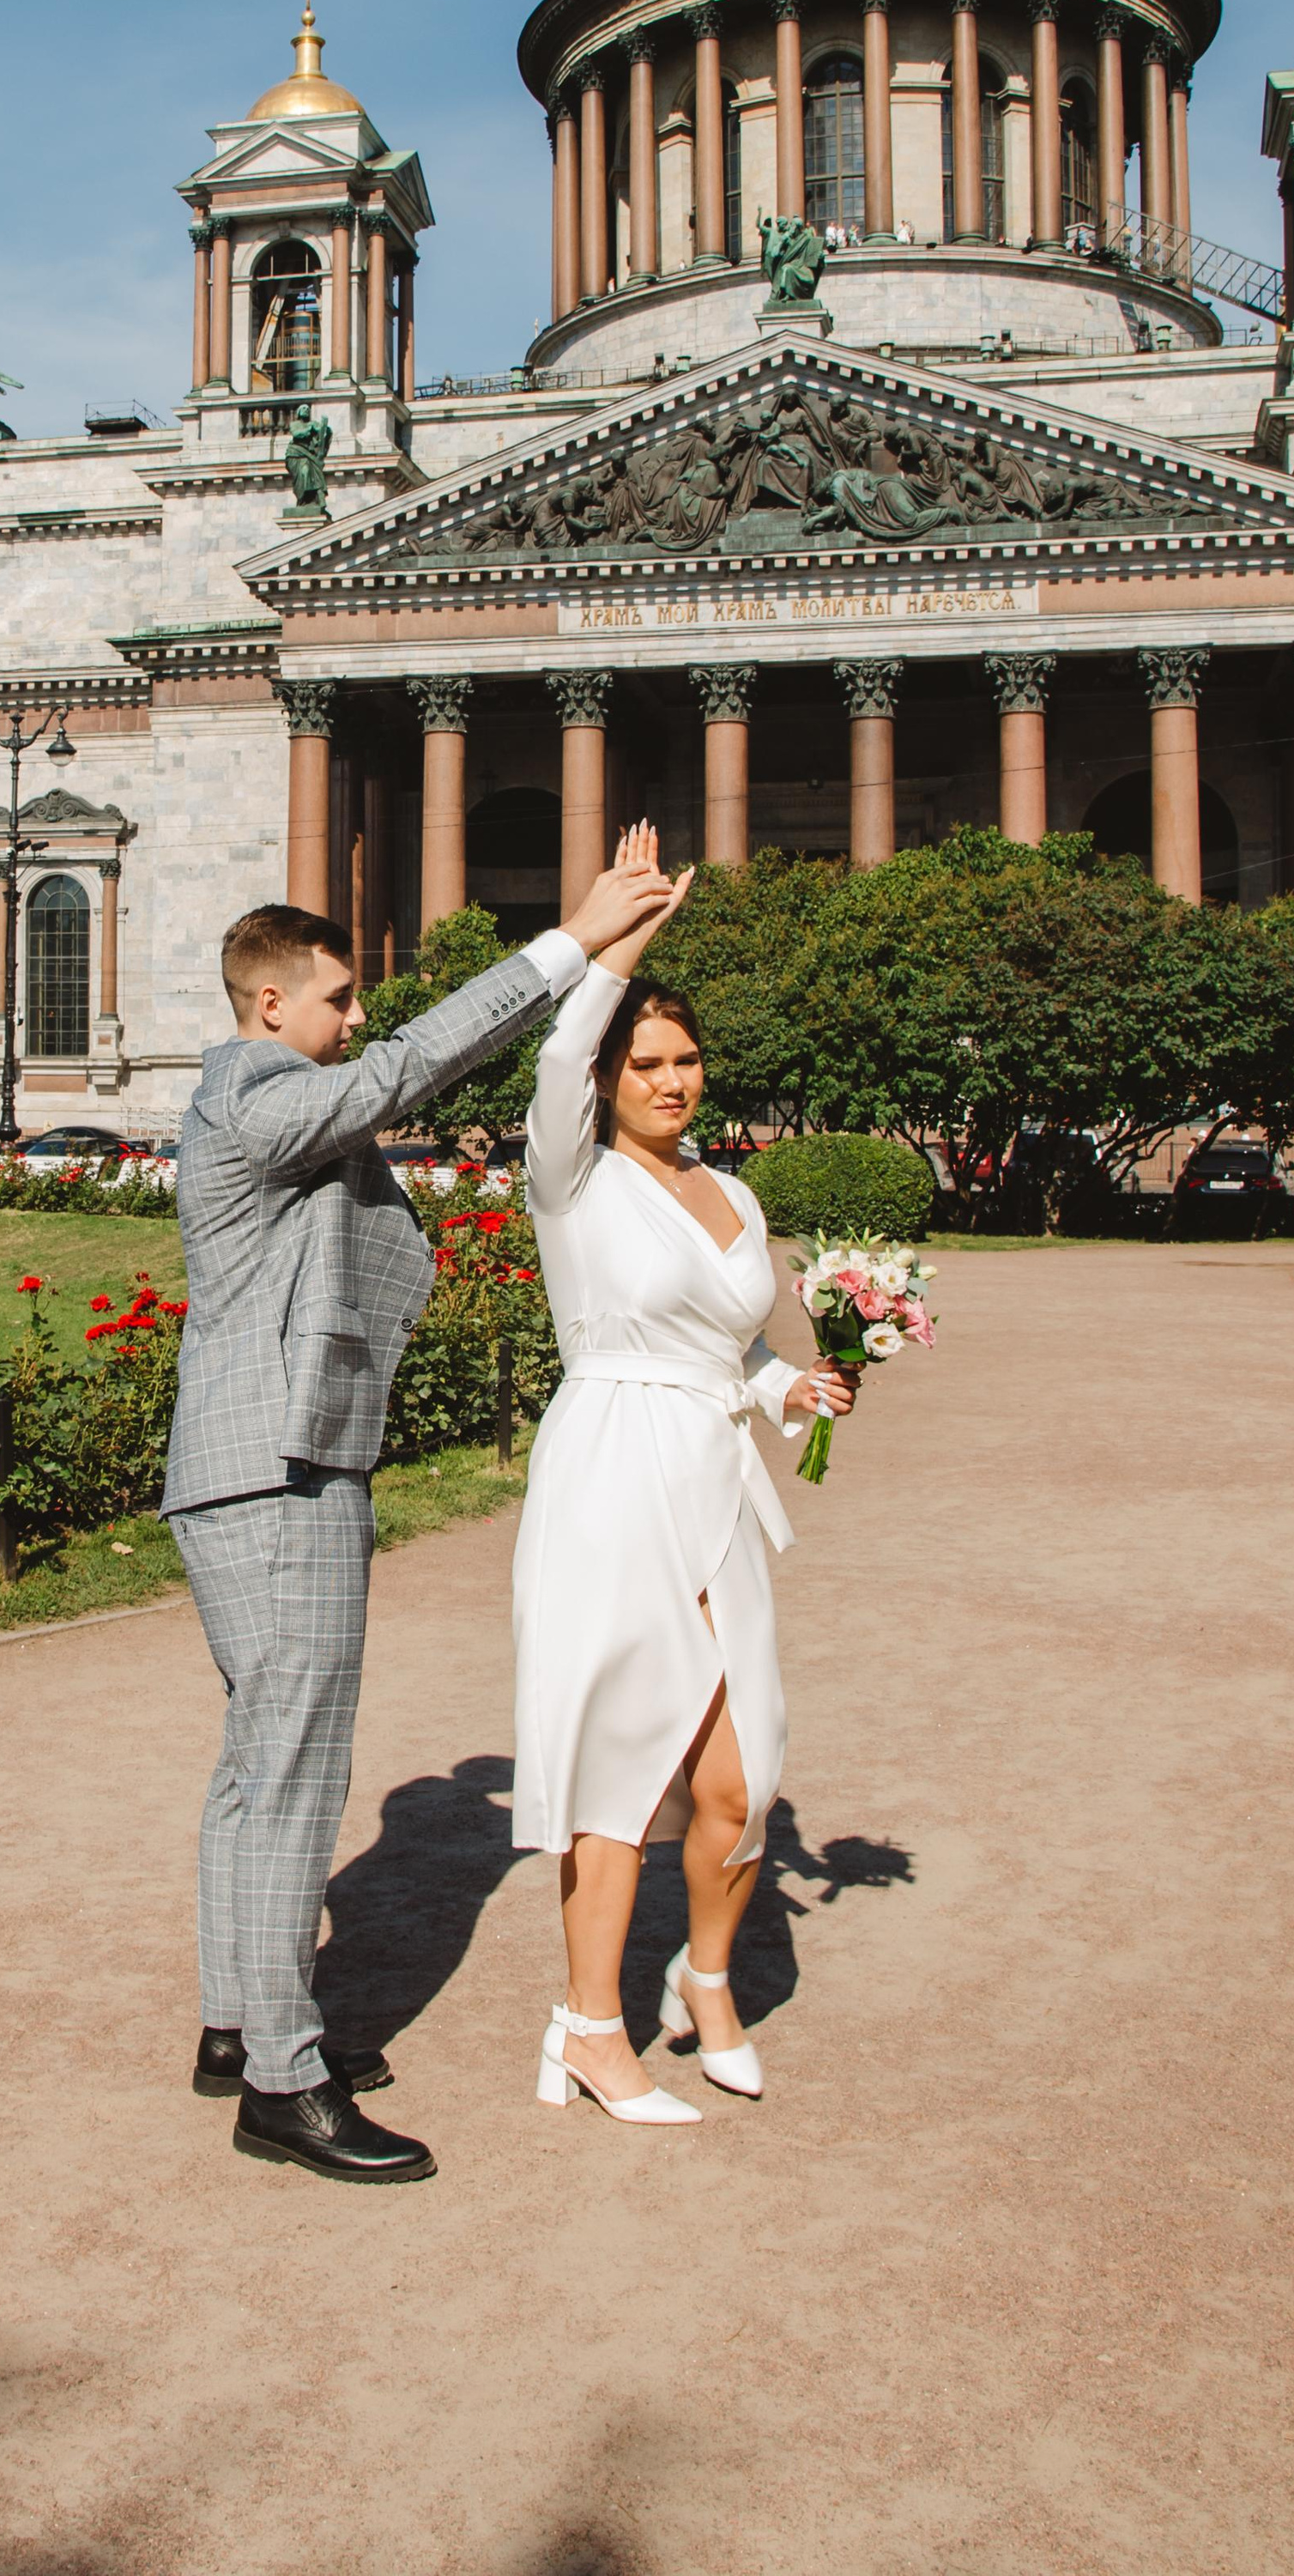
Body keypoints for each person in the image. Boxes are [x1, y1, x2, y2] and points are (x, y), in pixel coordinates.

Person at [166, 858, 664, 2185]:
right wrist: (569, 945)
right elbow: (408, 1069)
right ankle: (283, 2080)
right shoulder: (257, 1089)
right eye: (337, 1000)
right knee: (292, 1776)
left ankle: (240, 2022)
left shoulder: (261, 1099)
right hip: (281, 1472)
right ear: (270, 1005)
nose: (354, 1020)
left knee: (255, 1768)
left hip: (249, 1468)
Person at [514, 826, 855, 2127]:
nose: (671, 1082)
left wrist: (790, 1388)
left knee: (741, 1775)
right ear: (608, 1079)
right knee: (617, 1757)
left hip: (715, 1472)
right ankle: (591, 2030)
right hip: (612, 1470)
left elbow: (738, 1348)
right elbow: (555, 1055)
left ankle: (704, 1981)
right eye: (645, 1063)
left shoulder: (735, 1194)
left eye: (686, 1059)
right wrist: (627, 937)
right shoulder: (574, 1180)